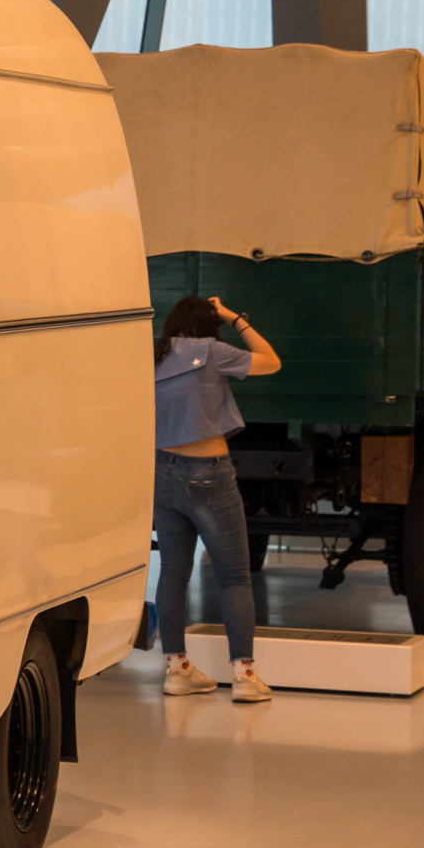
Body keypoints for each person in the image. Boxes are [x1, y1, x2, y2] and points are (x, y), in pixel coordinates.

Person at [152, 294, 281, 701]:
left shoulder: (153, 355)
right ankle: (244, 677)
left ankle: (177, 670)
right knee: (234, 576)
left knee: (172, 574)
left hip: (161, 473)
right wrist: (234, 316)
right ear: (209, 325)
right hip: (209, 476)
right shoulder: (212, 351)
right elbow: (271, 360)